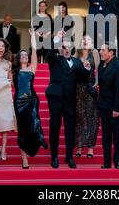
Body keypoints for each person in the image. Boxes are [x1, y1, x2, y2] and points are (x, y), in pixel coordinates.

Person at [46, 30, 91, 169]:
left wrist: (87, 69)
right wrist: (56, 39)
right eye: (63, 47)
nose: (66, 49)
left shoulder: (77, 62)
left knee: (70, 128)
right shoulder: (55, 59)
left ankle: (69, 156)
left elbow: (83, 78)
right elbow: (49, 54)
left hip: (70, 99)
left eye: (68, 47)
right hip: (56, 98)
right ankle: (54, 156)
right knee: (54, 126)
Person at [12, 29, 49, 169]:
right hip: (19, 103)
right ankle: (24, 159)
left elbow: (34, 50)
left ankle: (38, 139)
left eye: (25, 55)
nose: (24, 56)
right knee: (22, 131)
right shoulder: (13, 71)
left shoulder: (32, 68)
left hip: (32, 101)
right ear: (18, 58)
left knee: (34, 126)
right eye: (21, 55)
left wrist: (33, 36)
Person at [98, 42, 119, 169]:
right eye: (100, 50)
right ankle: (107, 162)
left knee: (116, 135)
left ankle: (118, 161)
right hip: (103, 106)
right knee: (105, 136)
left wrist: (116, 108)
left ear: (111, 52)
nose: (100, 52)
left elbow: (118, 89)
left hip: (115, 107)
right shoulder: (101, 65)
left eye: (103, 50)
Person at [74, 35, 100, 159]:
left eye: (88, 39)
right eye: (83, 39)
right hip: (78, 87)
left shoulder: (94, 53)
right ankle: (79, 146)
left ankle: (90, 147)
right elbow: (72, 69)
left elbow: (98, 69)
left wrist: (96, 82)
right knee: (79, 117)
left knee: (92, 117)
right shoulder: (76, 54)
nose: (85, 41)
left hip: (90, 86)